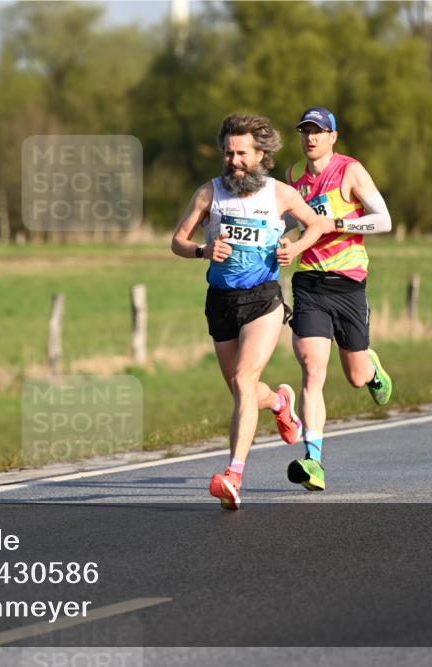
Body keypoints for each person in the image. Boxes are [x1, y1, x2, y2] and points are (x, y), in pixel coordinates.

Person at [171, 113, 328, 510]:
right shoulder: (209, 194)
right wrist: (202, 251)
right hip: (221, 300)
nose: (233, 161)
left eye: (241, 153)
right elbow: (177, 240)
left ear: (260, 155)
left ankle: (233, 475)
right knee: (242, 390)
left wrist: (296, 247)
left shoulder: (279, 195)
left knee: (243, 379)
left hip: (263, 298)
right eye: (228, 153)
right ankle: (278, 402)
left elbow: (315, 225)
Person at [283, 107, 394, 492]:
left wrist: (339, 223)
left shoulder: (350, 170)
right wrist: (285, 240)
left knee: (355, 376)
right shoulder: (293, 177)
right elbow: (292, 223)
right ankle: (314, 462)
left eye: (318, 131)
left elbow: (384, 220)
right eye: (305, 132)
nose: (310, 138)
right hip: (310, 283)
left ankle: (372, 368)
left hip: (348, 283)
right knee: (313, 370)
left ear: (333, 136)